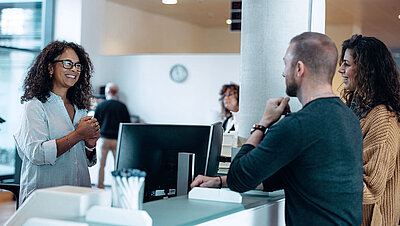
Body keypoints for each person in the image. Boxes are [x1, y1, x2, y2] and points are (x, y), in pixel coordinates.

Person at [191, 32, 364, 225]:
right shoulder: (349, 118)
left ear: (299, 68)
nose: (283, 72)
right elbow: (283, 178)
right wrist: (220, 181)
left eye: (286, 64)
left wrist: (262, 123)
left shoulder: (297, 125)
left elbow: (239, 177)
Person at [14, 41, 100, 204]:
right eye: (67, 64)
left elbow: (82, 160)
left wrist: (90, 144)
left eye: (78, 65)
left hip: (79, 196)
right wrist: (78, 135)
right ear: (50, 68)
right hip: (44, 199)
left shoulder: (80, 109)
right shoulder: (35, 106)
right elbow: (37, 154)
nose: (74, 69)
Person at [338, 35, 400, 226]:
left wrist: (317, 174)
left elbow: (370, 187)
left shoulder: (382, 118)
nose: (340, 69)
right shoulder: (359, 109)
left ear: (368, 70)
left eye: (347, 64)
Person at [94, 82, 131, 188]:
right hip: (117, 140)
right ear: (116, 92)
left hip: (104, 139)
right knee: (117, 165)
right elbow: (127, 125)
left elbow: (96, 122)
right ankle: (118, 186)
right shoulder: (122, 107)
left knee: (101, 165)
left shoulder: (101, 105)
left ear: (107, 92)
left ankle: (100, 185)